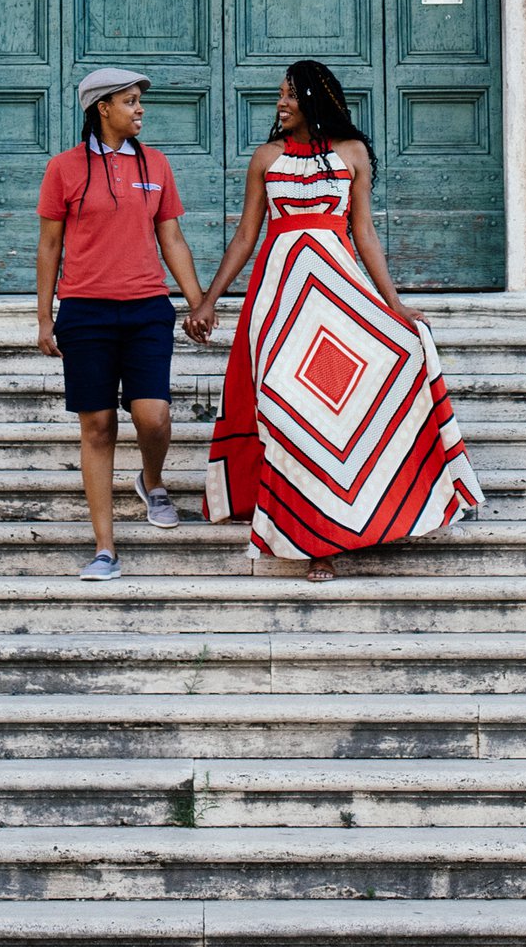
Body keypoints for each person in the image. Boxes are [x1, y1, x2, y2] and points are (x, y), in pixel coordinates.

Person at [188, 59, 482, 579]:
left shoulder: (352, 155)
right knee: (289, 407)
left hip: (339, 298)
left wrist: (392, 306)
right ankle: (312, 535)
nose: (279, 104)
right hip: (281, 301)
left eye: (288, 96)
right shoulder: (266, 158)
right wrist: (210, 300)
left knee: (355, 395)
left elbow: (364, 233)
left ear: (312, 101)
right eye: (279, 95)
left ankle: (361, 518)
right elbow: (245, 236)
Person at [36, 67, 211, 581]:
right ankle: (105, 549)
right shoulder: (63, 169)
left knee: (152, 415)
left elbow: (172, 239)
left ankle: (152, 481)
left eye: (140, 101)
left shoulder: (155, 164)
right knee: (98, 427)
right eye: (130, 102)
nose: (140, 110)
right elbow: (49, 246)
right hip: (85, 312)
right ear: (102, 109)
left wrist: (197, 301)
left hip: (146, 309)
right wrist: (45, 317)